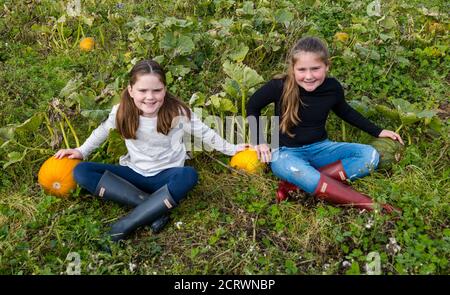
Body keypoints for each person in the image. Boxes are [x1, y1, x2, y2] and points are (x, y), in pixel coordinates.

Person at [55, 59, 247, 242]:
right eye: (142, 90)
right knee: (81, 171)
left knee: (189, 175)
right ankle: (153, 208)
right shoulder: (122, 110)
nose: (150, 97)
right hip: (134, 174)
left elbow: (205, 133)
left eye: (157, 90)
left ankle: (126, 223)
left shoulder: (177, 111)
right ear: (130, 90)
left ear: (165, 90)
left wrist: (232, 149)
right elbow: (103, 131)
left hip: (166, 176)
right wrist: (82, 151)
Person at [246, 36, 403, 213]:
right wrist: (259, 140)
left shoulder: (332, 88)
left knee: (370, 156)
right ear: (293, 69)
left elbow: (346, 112)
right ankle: (370, 206)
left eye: (315, 69)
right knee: (299, 172)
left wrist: (378, 131)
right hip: (285, 154)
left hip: (322, 148)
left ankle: (293, 187)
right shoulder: (279, 86)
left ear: (327, 67)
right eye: (302, 70)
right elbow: (253, 106)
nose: (308, 76)